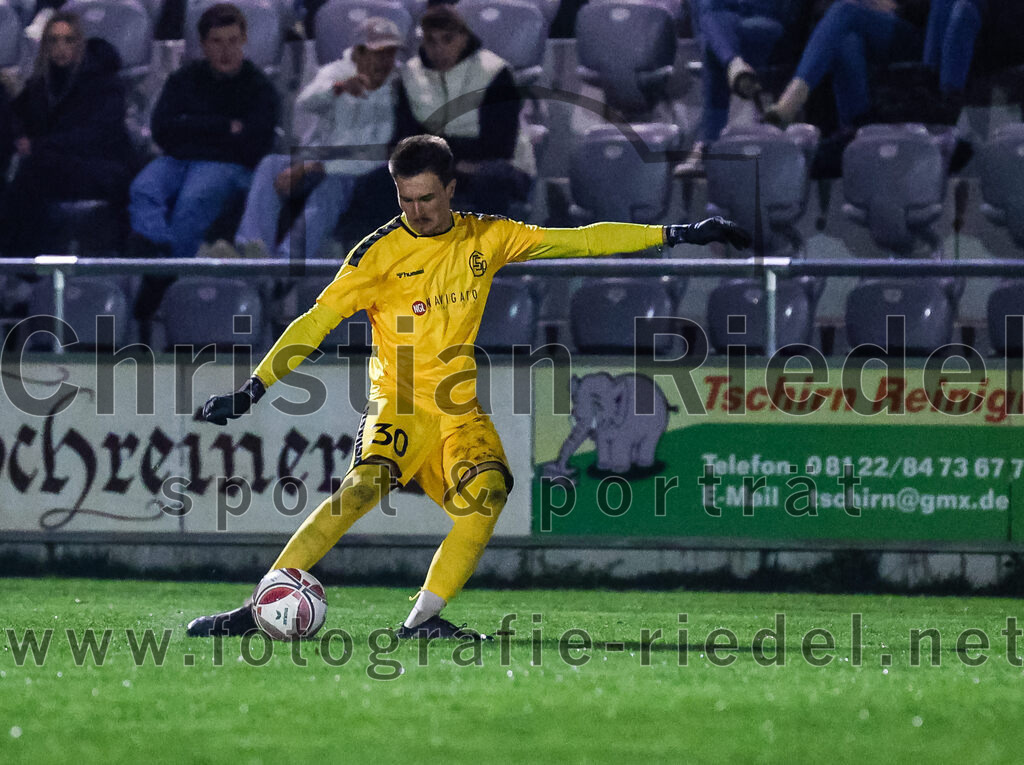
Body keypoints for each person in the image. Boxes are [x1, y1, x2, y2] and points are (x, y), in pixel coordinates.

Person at [185, 134, 752, 640]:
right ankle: (257, 606)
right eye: (405, 199)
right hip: (398, 403)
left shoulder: (488, 238)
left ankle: (422, 621)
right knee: (360, 490)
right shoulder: (376, 255)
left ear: (451, 188)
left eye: (427, 198)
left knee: (488, 498)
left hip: (458, 410)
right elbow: (315, 322)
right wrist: (254, 387)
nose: (416, 211)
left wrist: (674, 233)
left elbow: (581, 241)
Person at [226, 17, 402, 261]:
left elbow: (376, 152)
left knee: (332, 185)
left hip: (357, 170)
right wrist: (338, 89)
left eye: (390, 53)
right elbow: (306, 102)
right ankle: (253, 249)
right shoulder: (337, 72)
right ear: (359, 53)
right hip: (315, 157)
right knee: (270, 165)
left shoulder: (396, 85)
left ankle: (287, 262)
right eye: (378, 53)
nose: (385, 61)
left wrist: (317, 166)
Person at [127, 2, 279, 260]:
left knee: (192, 201)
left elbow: (255, 142)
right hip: (178, 159)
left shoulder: (259, 87)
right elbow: (161, 128)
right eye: (217, 41)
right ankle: (165, 253)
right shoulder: (183, 79)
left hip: (226, 164)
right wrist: (222, 127)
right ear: (203, 44)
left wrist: (190, 124)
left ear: (243, 40)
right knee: (143, 189)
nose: (226, 50)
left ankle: (171, 270)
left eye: (232, 41)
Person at [0, 12, 133, 256]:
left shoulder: (105, 84)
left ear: (80, 43)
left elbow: (96, 135)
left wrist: (38, 146)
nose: (61, 47)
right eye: (54, 40)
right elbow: (17, 117)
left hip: (102, 169)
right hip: (55, 166)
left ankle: (17, 264)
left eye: (68, 40)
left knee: (30, 175)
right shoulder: (41, 86)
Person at [393, 2, 534, 216]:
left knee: (491, 178)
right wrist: (454, 163)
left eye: (447, 39)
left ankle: (490, 248)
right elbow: (406, 139)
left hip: (502, 165)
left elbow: (499, 145)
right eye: (431, 41)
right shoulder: (410, 74)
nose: (439, 49)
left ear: (464, 37)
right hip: (438, 168)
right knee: (384, 178)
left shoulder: (495, 72)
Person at [676, 0, 801, 176]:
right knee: (713, 21)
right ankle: (734, 63)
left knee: (713, 36)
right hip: (725, 12)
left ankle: (706, 142)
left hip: (767, 12)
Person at [763, 0, 929, 129]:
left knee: (845, 11)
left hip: (906, 33)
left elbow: (931, 11)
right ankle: (857, 125)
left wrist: (895, 7)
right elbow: (821, 9)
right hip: (858, 26)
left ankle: (793, 98)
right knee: (847, 40)